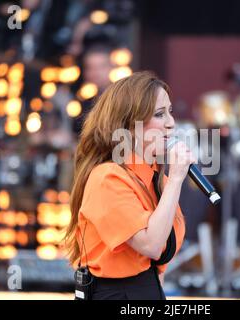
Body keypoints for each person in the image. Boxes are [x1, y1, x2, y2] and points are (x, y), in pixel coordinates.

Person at [64, 71, 196, 300]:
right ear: (129, 124)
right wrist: (176, 179)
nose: (171, 123)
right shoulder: (107, 178)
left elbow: (160, 259)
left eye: (170, 112)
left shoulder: (157, 180)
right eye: (159, 114)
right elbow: (151, 245)